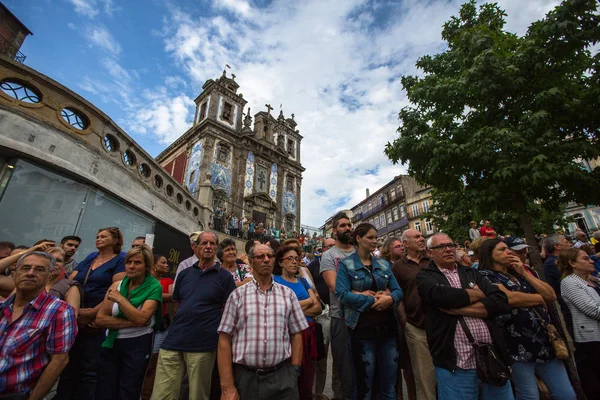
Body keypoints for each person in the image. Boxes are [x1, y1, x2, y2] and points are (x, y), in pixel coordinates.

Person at [417, 233, 513, 400]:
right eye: (440, 247)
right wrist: (480, 294)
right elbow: (440, 296)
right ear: (430, 253)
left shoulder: (471, 273)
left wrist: (457, 309)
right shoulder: (425, 276)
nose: (448, 249)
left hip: (492, 359)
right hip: (456, 365)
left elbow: (501, 301)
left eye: (451, 245)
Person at [478, 239, 575, 400]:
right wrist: (539, 298)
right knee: (529, 395)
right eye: (501, 250)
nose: (508, 252)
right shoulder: (484, 276)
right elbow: (508, 298)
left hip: (544, 343)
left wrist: (524, 273)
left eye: (508, 249)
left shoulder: (520, 272)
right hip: (515, 345)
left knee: (566, 393)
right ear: (489, 254)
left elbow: (550, 295)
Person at [217, 244, 308, 400]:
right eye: (260, 257)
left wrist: (294, 371)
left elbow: (297, 334)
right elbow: (224, 340)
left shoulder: (288, 295)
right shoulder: (237, 296)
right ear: (251, 263)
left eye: (269, 256)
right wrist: (227, 387)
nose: (266, 260)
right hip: (246, 379)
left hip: (282, 378)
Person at [152, 232, 236, 400]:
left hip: (203, 344)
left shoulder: (225, 277)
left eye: (212, 243)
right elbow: (177, 304)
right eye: (204, 243)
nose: (208, 246)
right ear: (196, 247)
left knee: (197, 394)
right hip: (173, 340)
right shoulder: (184, 273)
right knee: (162, 393)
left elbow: (229, 311)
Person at [56, 227, 126, 400]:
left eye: (103, 236)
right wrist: (76, 311)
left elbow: (116, 289)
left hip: (97, 320)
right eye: (97, 236)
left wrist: (95, 314)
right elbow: (71, 281)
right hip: (76, 315)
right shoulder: (90, 258)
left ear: (115, 240)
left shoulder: (121, 259)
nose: (98, 239)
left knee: (90, 368)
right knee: (68, 365)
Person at [336, 223, 403, 400]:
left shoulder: (383, 263)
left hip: (388, 329)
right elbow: (342, 294)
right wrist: (371, 300)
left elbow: (398, 291)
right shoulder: (346, 264)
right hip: (361, 330)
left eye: (376, 237)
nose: (375, 241)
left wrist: (390, 299)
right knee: (365, 384)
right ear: (358, 239)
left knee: (390, 386)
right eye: (370, 237)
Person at [0, 252, 77, 399]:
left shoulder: (59, 311)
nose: (30, 273)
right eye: (25, 268)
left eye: (39, 269)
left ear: (50, 276)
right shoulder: (3, 307)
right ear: (15, 273)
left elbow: (59, 360)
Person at [94, 245, 163, 400]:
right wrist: (133, 321)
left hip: (137, 345)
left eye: (137, 262)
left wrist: (120, 299)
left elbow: (142, 319)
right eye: (128, 262)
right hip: (111, 343)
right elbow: (100, 319)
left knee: (129, 390)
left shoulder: (154, 287)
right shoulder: (116, 286)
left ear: (147, 266)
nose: (131, 266)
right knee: (105, 389)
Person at [392, 229, 436, 400]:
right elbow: (398, 295)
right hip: (416, 326)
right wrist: (405, 322)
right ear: (406, 244)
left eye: (421, 236)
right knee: (423, 376)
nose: (421, 239)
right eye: (416, 237)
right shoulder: (398, 266)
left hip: (441, 323)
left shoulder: (432, 260)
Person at [273, 246, 322, 400]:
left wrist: (291, 307)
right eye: (290, 258)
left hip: (308, 334)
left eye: (297, 259)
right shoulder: (275, 281)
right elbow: (279, 308)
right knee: (288, 381)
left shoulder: (302, 280)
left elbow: (318, 306)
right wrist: (307, 302)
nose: (295, 262)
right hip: (287, 336)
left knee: (306, 381)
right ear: (281, 263)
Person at [320, 213, 357, 400]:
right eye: (343, 225)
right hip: (340, 316)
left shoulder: (361, 251)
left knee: (365, 363)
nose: (348, 228)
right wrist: (362, 292)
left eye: (349, 225)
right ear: (334, 231)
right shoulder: (329, 255)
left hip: (365, 316)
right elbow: (335, 287)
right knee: (343, 366)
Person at [559, 248, 600, 400]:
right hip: (591, 340)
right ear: (572, 263)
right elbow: (592, 309)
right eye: (585, 259)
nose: (591, 261)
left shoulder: (594, 279)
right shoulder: (569, 283)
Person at [381, 236, 416, 400]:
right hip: (393, 317)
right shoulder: (383, 266)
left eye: (402, 246)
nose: (401, 248)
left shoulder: (408, 264)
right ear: (388, 250)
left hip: (412, 315)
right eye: (397, 247)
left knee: (410, 363)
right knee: (394, 363)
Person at [307, 237, 340, 399]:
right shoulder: (313, 266)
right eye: (330, 246)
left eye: (335, 245)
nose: (334, 248)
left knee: (340, 357)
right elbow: (310, 288)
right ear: (323, 250)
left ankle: (338, 393)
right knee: (321, 357)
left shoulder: (342, 264)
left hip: (340, 314)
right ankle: (317, 393)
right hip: (322, 315)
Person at [141, 253, 174, 400]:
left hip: (160, 325)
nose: (167, 265)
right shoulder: (144, 279)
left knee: (153, 362)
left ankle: (146, 395)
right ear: (153, 265)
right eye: (163, 262)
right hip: (141, 324)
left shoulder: (168, 280)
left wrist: (151, 294)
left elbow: (172, 296)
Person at [46, 247, 81, 316]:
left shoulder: (70, 287)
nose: (54, 263)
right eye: (50, 259)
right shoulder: (33, 283)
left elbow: (71, 318)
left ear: (63, 264)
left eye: (58, 260)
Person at [543, 234, 572, 298]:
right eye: (566, 242)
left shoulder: (562, 260)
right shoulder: (551, 263)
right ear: (557, 246)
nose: (570, 244)